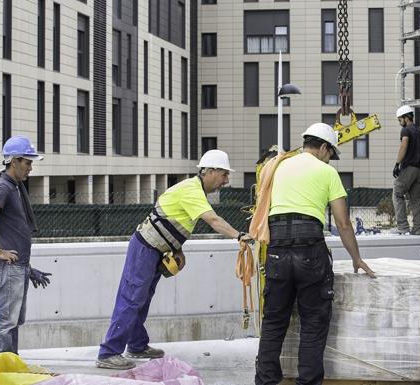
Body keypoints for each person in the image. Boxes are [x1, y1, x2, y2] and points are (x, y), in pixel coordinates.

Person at [96, 149, 252, 370]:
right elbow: (214, 221)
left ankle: (137, 345)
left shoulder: (193, 190)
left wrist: (176, 249)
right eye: (224, 174)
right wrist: (239, 235)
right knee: (131, 298)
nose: (226, 181)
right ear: (209, 171)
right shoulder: (192, 190)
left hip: (154, 250)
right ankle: (108, 353)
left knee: (141, 299)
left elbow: (172, 220)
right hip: (146, 248)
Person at [254, 123, 376, 385]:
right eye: (330, 153)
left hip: (276, 248)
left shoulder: (278, 167)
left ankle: (265, 382)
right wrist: (356, 257)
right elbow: (343, 223)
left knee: (274, 321)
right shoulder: (326, 172)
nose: (330, 158)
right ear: (323, 147)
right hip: (310, 248)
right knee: (313, 323)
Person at [0, 136, 51, 354]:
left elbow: (11, 230)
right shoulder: (4, 187)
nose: (30, 168)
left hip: (17, 266)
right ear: (14, 161)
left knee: (13, 321)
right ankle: (2, 371)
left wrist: (27, 268)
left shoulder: (14, 186)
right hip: (9, 267)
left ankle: (10, 364)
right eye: (27, 163)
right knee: (6, 322)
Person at [392, 106, 420, 236]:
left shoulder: (406, 130)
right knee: (415, 200)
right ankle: (417, 229)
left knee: (397, 193)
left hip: (409, 169)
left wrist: (397, 164)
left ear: (406, 118)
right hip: (419, 170)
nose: (399, 122)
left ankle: (402, 227)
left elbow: (404, 146)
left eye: (400, 119)